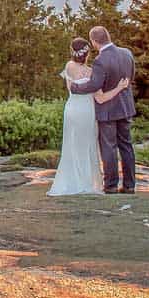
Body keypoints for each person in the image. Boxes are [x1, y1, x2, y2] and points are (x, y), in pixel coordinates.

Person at [49, 36, 130, 196]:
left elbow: (71, 88)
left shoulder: (69, 66)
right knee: (88, 146)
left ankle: (71, 181)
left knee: (71, 145)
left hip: (72, 109)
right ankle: (87, 182)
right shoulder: (92, 71)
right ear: (87, 54)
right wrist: (119, 88)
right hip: (87, 112)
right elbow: (101, 98)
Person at [67, 25, 138, 194]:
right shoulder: (127, 53)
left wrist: (75, 89)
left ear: (94, 41)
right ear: (108, 36)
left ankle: (111, 185)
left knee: (108, 147)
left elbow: (95, 85)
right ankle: (129, 185)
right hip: (125, 106)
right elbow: (131, 76)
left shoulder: (100, 60)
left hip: (107, 109)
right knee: (126, 145)